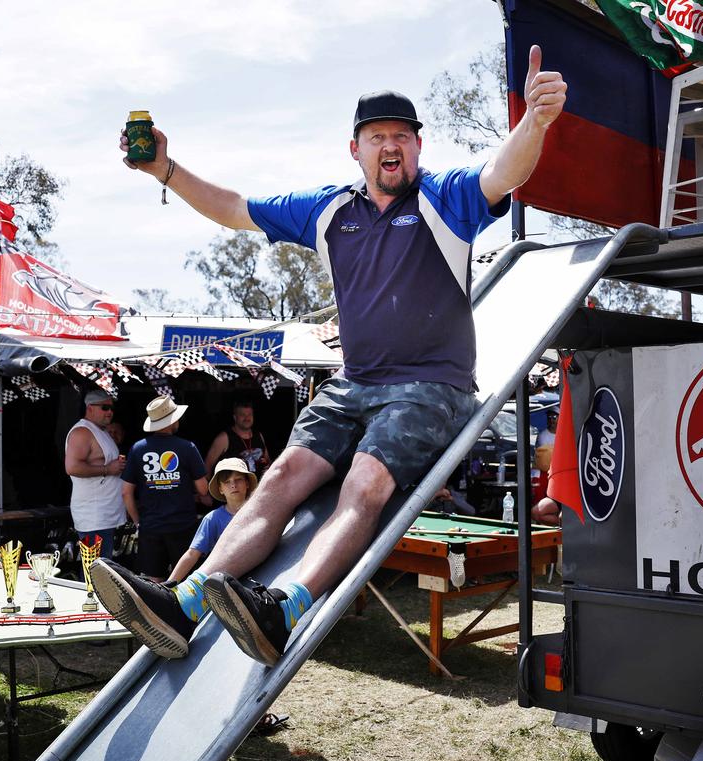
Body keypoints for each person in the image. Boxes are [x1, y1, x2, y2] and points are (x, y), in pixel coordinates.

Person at [90, 45, 566, 666]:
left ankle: (284, 606)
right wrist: (165, 169)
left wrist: (534, 122)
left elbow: (504, 171)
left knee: (365, 481)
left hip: (430, 387)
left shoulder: (444, 199)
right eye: (376, 137)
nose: (390, 146)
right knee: (281, 477)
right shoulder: (330, 210)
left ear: (418, 148)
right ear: (356, 149)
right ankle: (183, 606)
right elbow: (234, 210)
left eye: (402, 136)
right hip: (353, 383)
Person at [122, 395, 210, 579]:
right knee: (187, 582)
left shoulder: (138, 449)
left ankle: (156, 610)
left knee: (154, 582)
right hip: (183, 526)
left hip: (150, 527)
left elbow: (126, 492)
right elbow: (203, 490)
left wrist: (139, 522)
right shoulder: (188, 448)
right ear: (172, 420)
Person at [168, 457, 257, 587]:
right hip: (229, 584)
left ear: (247, 483)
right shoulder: (213, 518)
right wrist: (170, 583)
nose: (233, 485)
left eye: (238, 479)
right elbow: (193, 553)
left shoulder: (260, 511)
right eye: (227, 482)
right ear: (220, 488)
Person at [64, 390, 127, 559]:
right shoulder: (82, 432)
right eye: (105, 408)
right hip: (94, 516)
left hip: (105, 514)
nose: (110, 412)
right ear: (90, 408)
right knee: (96, 570)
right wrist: (108, 469)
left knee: (102, 569)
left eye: (112, 408)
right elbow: (72, 467)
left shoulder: (101, 430)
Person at [204, 400, 271, 479]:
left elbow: (267, 461)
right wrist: (208, 489)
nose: (247, 418)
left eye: (249, 414)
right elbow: (207, 466)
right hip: (234, 488)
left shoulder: (259, 435)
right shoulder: (224, 438)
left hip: (258, 488)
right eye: (243, 415)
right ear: (235, 417)